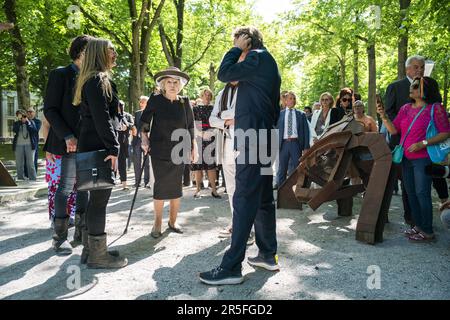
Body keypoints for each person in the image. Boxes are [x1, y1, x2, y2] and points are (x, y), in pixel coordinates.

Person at [200, 26, 281, 285]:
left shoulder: (256, 56)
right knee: (264, 197)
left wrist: (236, 48)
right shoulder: (264, 62)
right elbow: (233, 81)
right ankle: (267, 254)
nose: (236, 50)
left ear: (247, 42)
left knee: (244, 195)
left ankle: (232, 267)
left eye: (238, 43)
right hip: (263, 137)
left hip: (253, 137)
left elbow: (224, 73)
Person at [73, 37, 127, 268]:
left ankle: (90, 251)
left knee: (96, 200)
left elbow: (106, 115)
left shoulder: (92, 80)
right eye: (111, 51)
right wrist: (113, 146)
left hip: (94, 145)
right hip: (99, 147)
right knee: (99, 201)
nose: (115, 55)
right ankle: (97, 256)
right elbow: (101, 118)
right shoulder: (97, 80)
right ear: (99, 54)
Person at [377, 77, 450, 242]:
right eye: (412, 85)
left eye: (416, 86)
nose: (412, 88)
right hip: (405, 158)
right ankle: (418, 226)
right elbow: (394, 130)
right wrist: (383, 116)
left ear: (426, 89)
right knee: (410, 193)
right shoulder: (405, 108)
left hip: (423, 158)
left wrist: (422, 143)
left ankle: (428, 231)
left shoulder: (435, 108)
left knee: (422, 193)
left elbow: (445, 132)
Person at [44, 35, 92, 256]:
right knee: (65, 188)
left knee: (86, 188)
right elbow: (50, 110)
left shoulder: (92, 78)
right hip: (68, 143)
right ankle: (59, 238)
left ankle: (81, 233)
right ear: (82, 52)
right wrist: (67, 136)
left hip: (89, 142)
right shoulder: (60, 74)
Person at [384, 55, 446, 225]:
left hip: (426, 150)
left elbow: (442, 124)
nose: (420, 69)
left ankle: (429, 223)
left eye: (422, 67)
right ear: (408, 69)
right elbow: (391, 116)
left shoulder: (431, 91)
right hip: (403, 147)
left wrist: (423, 141)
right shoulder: (396, 90)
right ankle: (412, 220)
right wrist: (398, 128)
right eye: (416, 67)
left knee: (424, 189)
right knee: (409, 189)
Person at [140, 66, 196, 239]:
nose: (172, 85)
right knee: (160, 185)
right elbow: (144, 121)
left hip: (179, 150)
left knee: (176, 186)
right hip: (159, 149)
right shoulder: (156, 99)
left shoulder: (184, 101)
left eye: (175, 82)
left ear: (180, 85)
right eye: (169, 82)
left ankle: (173, 221)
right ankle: (157, 222)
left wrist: (193, 147)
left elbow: (191, 126)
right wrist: (144, 138)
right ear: (163, 84)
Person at [42, 116, 77, 229]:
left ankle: (73, 215)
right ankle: (56, 218)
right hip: (55, 150)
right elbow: (46, 124)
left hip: (75, 148)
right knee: (55, 185)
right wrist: (48, 149)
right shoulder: (54, 101)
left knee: (74, 184)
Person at [191, 88, 221, 199]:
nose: (207, 97)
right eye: (205, 95)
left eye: (209, 95)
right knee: (198, 166)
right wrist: (201, 134)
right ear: (202, 96)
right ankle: (198, 189)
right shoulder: (196, 109)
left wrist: (211, 133)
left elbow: (217, 123)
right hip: (199, 138)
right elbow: (194, 123)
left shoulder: (214, 109)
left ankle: (214, 190)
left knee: (211, 166)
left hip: (211, 137)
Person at [276, 91, 310, 186]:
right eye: (290, 98)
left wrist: (306, 147)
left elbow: (306, 131)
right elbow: (275, 130)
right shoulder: (280, 114)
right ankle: (281, 194)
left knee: (297, 169)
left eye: (294, 98)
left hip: (296, 144)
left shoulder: (301, 114)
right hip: (283, 144)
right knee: (282, 169)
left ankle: (296, 192)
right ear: (285, 101)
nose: (293, 100)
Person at [12, 110, 38, 181]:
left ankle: (32, 178)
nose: (21, 117)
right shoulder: (16, 123)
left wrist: (27, 123)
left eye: (22, 115)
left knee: (30, 163)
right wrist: (20, 123)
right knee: (19, 163)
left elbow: (34, 131)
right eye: (19, 115)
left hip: (29, 145)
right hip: (18, 145)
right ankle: (20, 178)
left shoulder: (31, 122)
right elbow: (15, 130)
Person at [132, 96, 151, 188]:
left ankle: (147, 182)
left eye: (143, 102)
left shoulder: (152, 113)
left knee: (147, 162)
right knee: (137, 162)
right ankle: (137, 182)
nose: (141, 104)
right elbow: (134, 124)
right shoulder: (137, 113)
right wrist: (133, 127)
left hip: (147, 141)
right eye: (141, 102)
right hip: (137, 141)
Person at [117, 100, 134, 191]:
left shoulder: (127, 115)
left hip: (124, 143)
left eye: (121, 106)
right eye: (119, 106)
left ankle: (124, 183)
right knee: (113, 163)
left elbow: (132, 124)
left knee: (122, 163)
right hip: (113, 142)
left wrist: (126, 126)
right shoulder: (112, 115)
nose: (120, 107)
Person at [27, 108, 41, 174]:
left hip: (33, 143)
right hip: (24, 143)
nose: (29, 113)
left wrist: (29, 122)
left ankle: (34, 174)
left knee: (34, 159)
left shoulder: (37, 121)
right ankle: (26, 174)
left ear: (34, 113)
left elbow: (35, 130)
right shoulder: (24, 121)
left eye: (31, 112)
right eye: (28, 112)